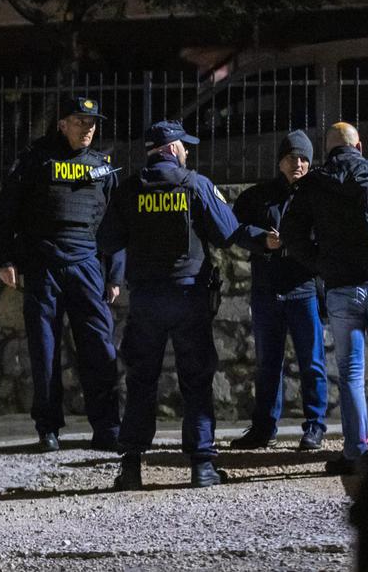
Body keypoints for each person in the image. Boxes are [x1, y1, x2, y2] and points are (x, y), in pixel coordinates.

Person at [98, 120, 270, 490]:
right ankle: (202, 466)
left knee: (141, 380)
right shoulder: (195, 185)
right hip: (189, 296)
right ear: (172, 148)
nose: (188, 152)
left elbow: (107, 241)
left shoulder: (129, 190)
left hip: (146, 299)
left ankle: (131, 467)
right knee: (196, 379)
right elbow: (228, 232)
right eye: (184, 146)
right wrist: (264, 240)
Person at [281, 122, 368, 475]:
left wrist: (321, 263)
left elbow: (292, 234)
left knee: (351, 373)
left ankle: (355, 452)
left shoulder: (314, 184)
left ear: (328, 150)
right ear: (359, 146)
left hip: (341, 288)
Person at [0, 97, 122, 453]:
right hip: (43, 264)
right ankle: (48, 428)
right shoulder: (35, 161)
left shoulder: (102, 167)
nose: (88, 128)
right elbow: (4, 213)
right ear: (62, 124)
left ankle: (107, 427)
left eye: (92, 122)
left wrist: (114, 275)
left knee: (99, 348)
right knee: (45, 351)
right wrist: (6, 259)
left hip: (87, 266)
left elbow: (114, 225)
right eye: (80, 121)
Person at [229, 130, 329, 452]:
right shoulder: (257, 197)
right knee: (268, 364)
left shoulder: (319, 195)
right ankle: (264, 428)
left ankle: (315, 427)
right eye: (291, 157)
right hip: (268, 290)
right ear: (280, 161)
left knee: (312, 363)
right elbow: (234, 228)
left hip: (303, 289)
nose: (297, 164)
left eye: (303, 158)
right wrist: (263, 239)